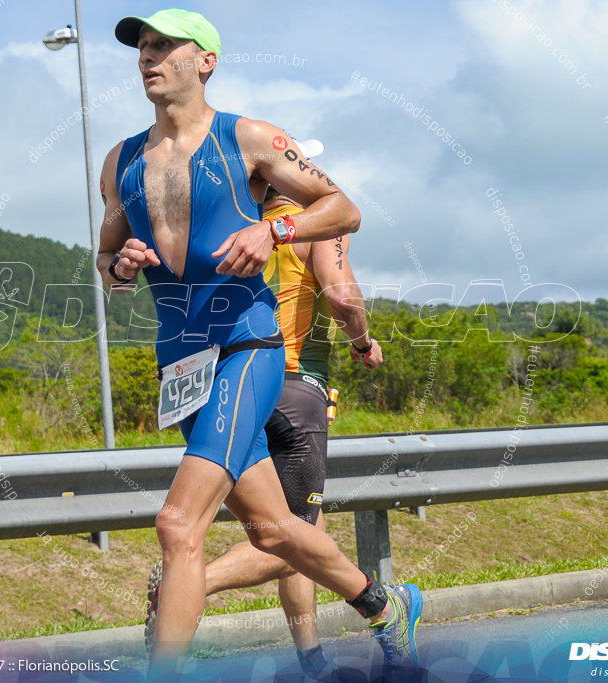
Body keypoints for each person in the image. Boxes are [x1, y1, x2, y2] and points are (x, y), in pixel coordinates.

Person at [97, 9, 422, 678]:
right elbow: (104, 261)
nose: (148, 56)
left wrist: (274, 233)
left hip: (247, 348)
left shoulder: (248, 138)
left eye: (164, 45)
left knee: (178, 525)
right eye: (142, 46)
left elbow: (343, 208)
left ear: (205, 61)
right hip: (180, 363)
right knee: (274, 530)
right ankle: (385, 605)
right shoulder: (121, 160)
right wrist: (120, 264)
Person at [145, 160, 386, 680]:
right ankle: (188, 586)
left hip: (223, 381)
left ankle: (311, 659)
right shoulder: (316, 227)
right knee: (289, 536)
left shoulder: (233, 228)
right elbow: (343, 297)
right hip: (294, 384)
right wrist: (364, 342)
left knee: (300, 528)